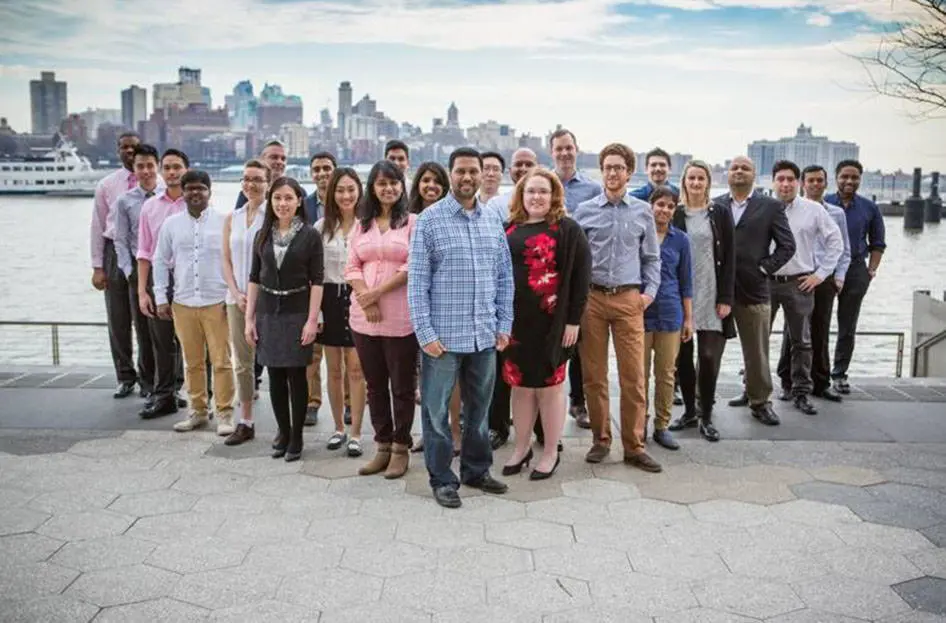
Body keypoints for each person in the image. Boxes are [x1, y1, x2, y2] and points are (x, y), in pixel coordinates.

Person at [408, 147, 513, 509]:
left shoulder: (492, 220)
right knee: (436, 414)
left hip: (484, 335)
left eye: (473, 171)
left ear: (482, 174)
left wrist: (504, 324)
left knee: (479, 411)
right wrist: (425, 334)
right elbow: (417, 283)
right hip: (443, 339)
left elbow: (504, 277)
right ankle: (442, 479)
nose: (467, 177)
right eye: (461, 171)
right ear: (450, 174)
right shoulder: (429, 220)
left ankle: (476, 471)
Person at [572, 143, 662, 472]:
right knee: (594, 375)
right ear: (602, 171)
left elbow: (652, 258)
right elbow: (574, 260)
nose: (613, 173)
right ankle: (601, 440)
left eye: (619, 167)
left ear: (628, 172)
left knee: (634, 377)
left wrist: (647, 295)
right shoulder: (584, 211)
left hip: (628, 300)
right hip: (593, 300)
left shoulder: (642, 211)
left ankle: (634, 447)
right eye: (608, 167)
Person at [501, 168, 590, 480]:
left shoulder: (568, 230)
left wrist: (573, 321)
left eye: (543, 191)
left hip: (553, 325)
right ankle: (521, 448)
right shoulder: (508, 229)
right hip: (514, 325)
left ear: (554, 196)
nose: (536, 197)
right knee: (520, 387)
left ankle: (551, 451)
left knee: (550, 388)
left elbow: (581, 278)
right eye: (531, 191)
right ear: (521, 195)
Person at [347, 161, 418, 479]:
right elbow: (351, 266)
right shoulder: (361, 225)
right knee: (375, 385)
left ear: (402, 186)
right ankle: (382, 446)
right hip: (364, 318)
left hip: (400, 317)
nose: (388, 188)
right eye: (381, 183)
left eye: (393, 182)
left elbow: (412, 265)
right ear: (372, 189)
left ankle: (401, 448)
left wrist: (376, 293)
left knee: (402, 386)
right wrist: (366, 297)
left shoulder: (413, 222)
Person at [245, 177, 324, 462]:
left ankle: (297, 436)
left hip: (297, 311)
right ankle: (283, 431)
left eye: (289, 198)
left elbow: (318, 280)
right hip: (267, 312)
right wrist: (249, 319)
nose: (283, 203)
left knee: (296, 375)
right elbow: (254, 278)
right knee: (275, 375)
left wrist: (312, 320)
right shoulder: (262, 234)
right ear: (271, 201)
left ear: (299, 201)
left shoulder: (310, 235)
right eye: (277, 198)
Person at [153, 171, 235, 436]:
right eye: (189, 189)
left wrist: (233, 296)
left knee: (221, 361)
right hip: (183, 302)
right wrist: (160, 297)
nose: (195, 193)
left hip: (217, 301)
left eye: (200, 188)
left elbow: (234, 260)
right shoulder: (171, 224)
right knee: (192, 362)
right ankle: (198, 411)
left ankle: (224, 413)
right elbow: (159, 261)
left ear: (210, 191)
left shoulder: (225, 222)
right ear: (183, 192)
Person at [720, 156, 795, 426]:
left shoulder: (770, 207)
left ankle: (760, 402)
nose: (739, 171)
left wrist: (764, 269)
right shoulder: (715, 205)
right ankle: (700, 403)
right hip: (719, 291)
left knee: (757, 352)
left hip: (754, 289)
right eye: (735, 168)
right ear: (728, 174)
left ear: (754, 174)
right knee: (708, 352)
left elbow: (787, 246)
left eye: (745, 168)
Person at [768, 160, 844, 416]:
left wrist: (820, 275)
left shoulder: (813, 210)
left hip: (799, 282)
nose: (785, 184)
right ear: (773, 182)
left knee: (802, 341)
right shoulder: (763, 208)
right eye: (780, 179)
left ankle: (801, 392)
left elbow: (836, 242)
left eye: (790, 179)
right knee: (757, 340)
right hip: (766, 283)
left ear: (798, 183)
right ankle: (753, 391)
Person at [669, 160, 736, 442]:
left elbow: (730, 256)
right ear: (684, 182)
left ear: (708, 182)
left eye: (701, 178)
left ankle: (706, 415)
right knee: (683, 358)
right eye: (691, 178)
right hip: (682, 294)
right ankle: (689, 412)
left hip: (712, 290)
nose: (696, 183)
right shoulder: (675, 213)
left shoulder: (719, 212)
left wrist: (726, 297)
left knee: (708, 356)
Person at [405, 162, 462, 454]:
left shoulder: (453, 216)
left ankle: (455, 431)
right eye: (426, 180)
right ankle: (429, 432)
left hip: (446, 310)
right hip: (414, 308)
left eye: (437, 181)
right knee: (423, 377)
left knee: (451, 378)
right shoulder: (408, 219)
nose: (431, 186)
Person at [550, 128, 601, 431]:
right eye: (559, 149)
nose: (565, 153)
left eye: (569, 148)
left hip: (580, 274)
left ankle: (578, 402)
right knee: (549, 341)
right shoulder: (542, 185)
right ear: (552, 152)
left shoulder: (592, 190)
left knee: (581, 342)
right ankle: (547, 401)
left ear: (576, 150)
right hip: (547, 275)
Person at [317, 168, 368, 458]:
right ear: (331, 193)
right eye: (340, 190)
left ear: (359, 191)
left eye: (351, 189)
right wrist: (316, 313)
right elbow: (314, 274)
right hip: (329, 299)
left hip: (358, 297)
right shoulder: (321, 227)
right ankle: (338, 428)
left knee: (357, 369)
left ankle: (357, 432)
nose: (346, 195)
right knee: (334, 370)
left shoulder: (368, 225)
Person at [825, 159, 886, 395]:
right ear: (836, 178)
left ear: (860, 179)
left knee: (848, 325)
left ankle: (839, 374)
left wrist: (871, 270)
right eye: (844, 176)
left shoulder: (869, 208)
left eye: (854, 177)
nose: (849, 181)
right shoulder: (824, 203)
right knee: (817, 323)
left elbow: (878, 242)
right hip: (826, 270)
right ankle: (816, 373)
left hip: (855, 270)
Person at [136, 149, 189, 419]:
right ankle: (164, 396)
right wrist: (142, 291)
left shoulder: (196, 204)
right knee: (162, 341)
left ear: (186, 170)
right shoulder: (150, 206)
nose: (171, 172)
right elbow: (144, 252)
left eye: (177, 167)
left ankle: (195, 395)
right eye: (167, 167)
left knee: (193, 341)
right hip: (159, 278)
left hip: (188, 278)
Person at [90, 131, 143, 399]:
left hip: (143, 252)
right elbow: (97, 226)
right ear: (118, 151)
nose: (129, 152)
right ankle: (125, 377)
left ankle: (150, 379)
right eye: (124, 147)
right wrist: (97, 267)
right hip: (113, 252)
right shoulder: (107, 185)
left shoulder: (155, 182)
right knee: (118, 319)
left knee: (147, 320)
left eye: (134, 147)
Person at [111, 144, 164, 414]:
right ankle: (148, 383)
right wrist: (128, 271)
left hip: (167, 269)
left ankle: (171, 384)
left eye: (149, 165)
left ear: (157, 166)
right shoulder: (124, 201)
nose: (145, 171)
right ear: (133, 169)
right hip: (139, 269)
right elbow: (120, 240)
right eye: (140, 166)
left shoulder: (169, 195)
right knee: (143, 329)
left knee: (168, 331)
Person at [220, 159, 269, 446]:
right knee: (242, 363)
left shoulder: (273, 216)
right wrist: (236, 292)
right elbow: (225, 260)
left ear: (267, 183)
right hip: (236, 299)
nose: (251, 184)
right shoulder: (232, 218)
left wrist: (255, 295)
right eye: (247, 179)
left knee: (277, 360)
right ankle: (246, 421)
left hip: (267, 300)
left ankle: (288, 423)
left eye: (257, 179)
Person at [642, 186, 693, 450]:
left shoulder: (681, 240)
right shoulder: (639, 235)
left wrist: (689, 319)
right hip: (640, 313)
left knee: (665, 374)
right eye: (660, 204)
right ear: (651, 206)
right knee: (638, 375)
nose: (664, 210)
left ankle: (661, 426)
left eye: (670, 206)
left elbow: (686, 282)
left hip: (671, 313)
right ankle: (638, 424)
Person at [303, 151, 342, 427]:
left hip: (342, 288)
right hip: (312, 286)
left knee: (346, 353)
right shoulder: (304, 205)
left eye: (327, 168)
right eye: (316, 169)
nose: (322, 173)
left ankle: (349, 403)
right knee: (312, 352)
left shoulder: (352, 203)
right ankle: (311, 402)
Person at [486, 147, 538, 223]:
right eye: (518, 164)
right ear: (510, 171)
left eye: (529, 165)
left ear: (538, 169)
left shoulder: (549, 202)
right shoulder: (496, 205)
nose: (523, 169)